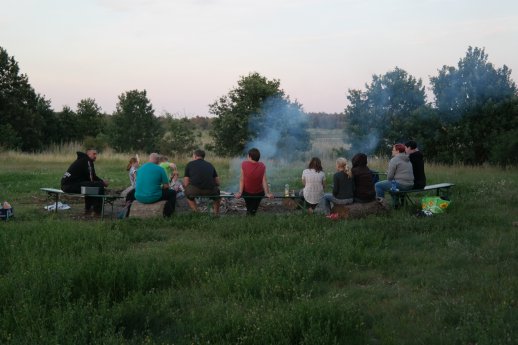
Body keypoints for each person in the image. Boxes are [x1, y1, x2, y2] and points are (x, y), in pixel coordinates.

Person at [61, 149, 108, 215]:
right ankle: (97, 212)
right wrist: (102, 183)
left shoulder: (83, 160)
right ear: (88, 154)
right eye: (94, 154)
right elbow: (91, 179)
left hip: (67, 185)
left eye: (96, 154)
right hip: (70, 185)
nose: (95, 156)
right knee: (98, 187)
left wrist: (101, 181)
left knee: (90, 187)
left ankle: (88, 210)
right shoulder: (87, 161)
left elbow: (92, 177)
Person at [128, 153, 176, 217]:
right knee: (173, 193)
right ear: (158, 161)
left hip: (138, 196)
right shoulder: (160, 169)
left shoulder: (140, 168)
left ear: (149, 159)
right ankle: (171, 212)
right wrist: (160, 187)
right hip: (153, 197)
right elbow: (166, 186)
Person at [234, 148, 274, 215]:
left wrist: (240, 192)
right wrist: (267, 193)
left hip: (246, 193)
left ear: (250, 156)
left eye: (247, 156)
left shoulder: (244, 164)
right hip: (259, 193)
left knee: (250, 208)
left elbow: (242, 179)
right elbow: (264, 180)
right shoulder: (262, 165)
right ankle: (251, 216)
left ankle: (249, 217)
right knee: (252, 209)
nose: (247, 157)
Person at [184, 149, 221, 214]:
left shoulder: (189, 164)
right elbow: (218, 182)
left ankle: (196, 212)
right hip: (210, 190)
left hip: (194, 190)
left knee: (188, 194)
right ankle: (216, 214)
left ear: (195, 156)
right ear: (203, 157)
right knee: (217, 196)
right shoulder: (210, 165)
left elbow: (186, 183)